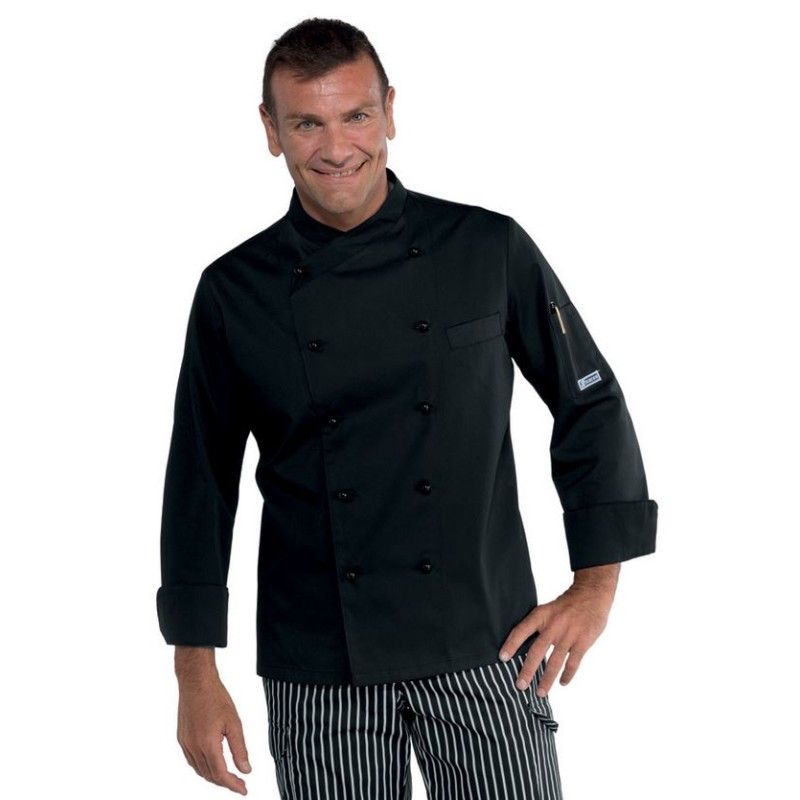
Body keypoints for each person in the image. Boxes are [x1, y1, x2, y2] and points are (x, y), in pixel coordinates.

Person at [156, 17, 658, 799]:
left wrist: (595, 589)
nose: (336, 147)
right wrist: (195, 672)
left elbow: (589, 402)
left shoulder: (487, 248)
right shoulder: (233, 292)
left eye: (356, 115)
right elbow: (201, 485)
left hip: (488, 647)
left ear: (390, 110)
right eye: (306, 123)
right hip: (318, 671)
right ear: (270, 130)